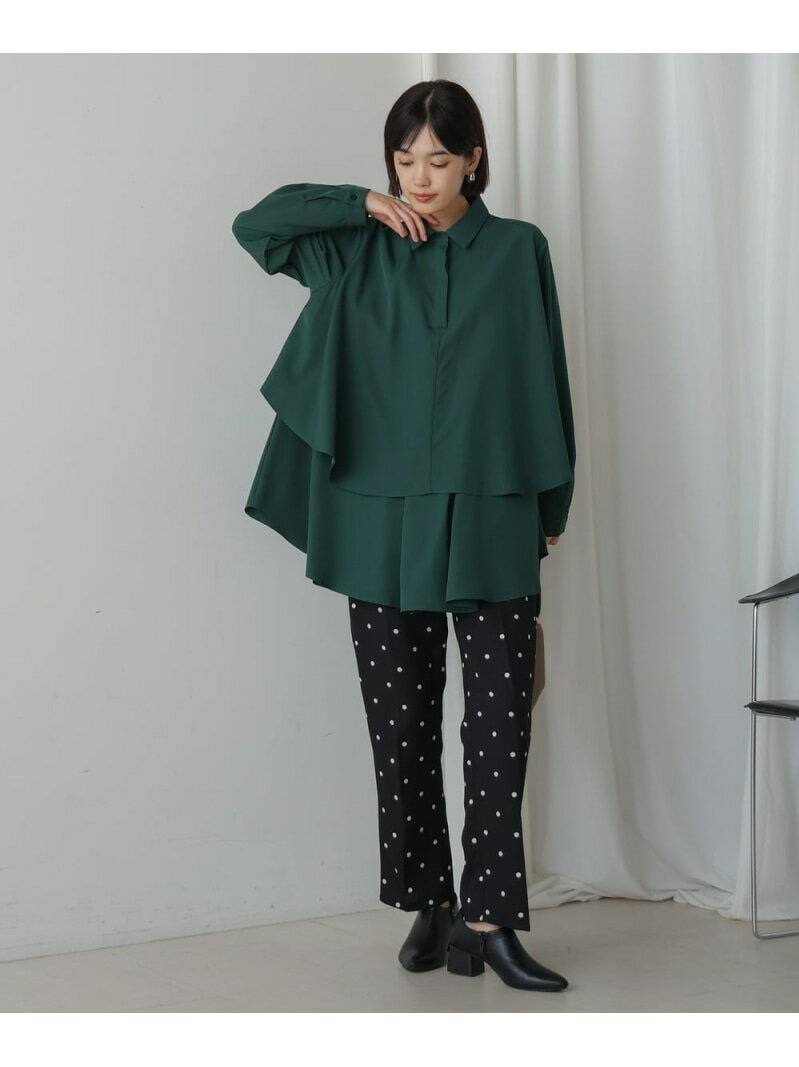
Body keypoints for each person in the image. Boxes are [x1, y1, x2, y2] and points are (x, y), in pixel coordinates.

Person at [231, 79, 576, 993]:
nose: (420, 177)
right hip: (379, 522)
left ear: (475, 160)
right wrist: (360, 203)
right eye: (404, 159)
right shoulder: (356, 246)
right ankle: (431, 900)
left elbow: (545, 376)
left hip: (491, 514)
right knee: (402, 724)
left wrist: (549, 508)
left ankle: (490, 921)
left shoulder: (519, 250)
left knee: (499, 726)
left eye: (439, 158)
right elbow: (256, 226)